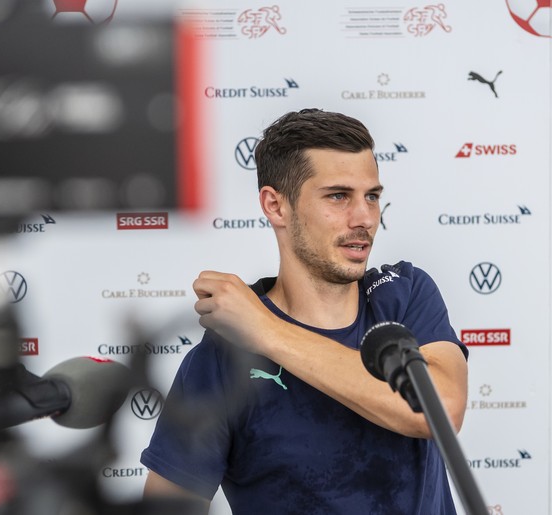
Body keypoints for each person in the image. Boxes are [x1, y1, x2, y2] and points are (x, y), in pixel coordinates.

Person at [141, 108, 469, 514]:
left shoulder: (403, 296)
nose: (364, 218)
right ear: (276, 206)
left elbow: (439, 408)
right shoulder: (222, 358)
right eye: (338, 196)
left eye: (372, 196)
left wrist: (266, 331)